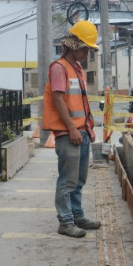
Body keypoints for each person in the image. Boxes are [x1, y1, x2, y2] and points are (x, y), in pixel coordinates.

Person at [42, 20, 101, 238]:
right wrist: (72, 129)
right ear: (73, 45)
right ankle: (65, 222)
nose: (86, 53)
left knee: (79, 180)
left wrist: (87, 130)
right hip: (69, 134)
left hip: (81, 132)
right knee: (67, 181)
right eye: (85, 48)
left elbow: (80, 102)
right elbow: (58, 99)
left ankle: (77, 216)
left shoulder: (76, 69)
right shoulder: (59, 68)